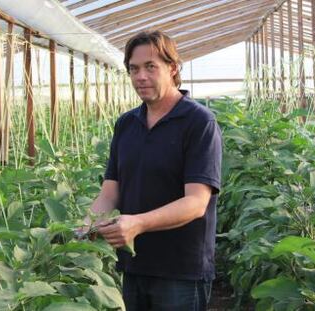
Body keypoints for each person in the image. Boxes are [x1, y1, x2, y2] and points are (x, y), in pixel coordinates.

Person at [89, 30, 222, 311]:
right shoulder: (126, 124)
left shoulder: (198, 122)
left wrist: (138, 223)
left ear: (172, 69)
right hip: (134, 263)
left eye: (151, 67)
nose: (141, 76)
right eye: (133, 69)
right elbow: (110, 192)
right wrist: (88, 224)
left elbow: (197, 203)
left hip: (181, 270)